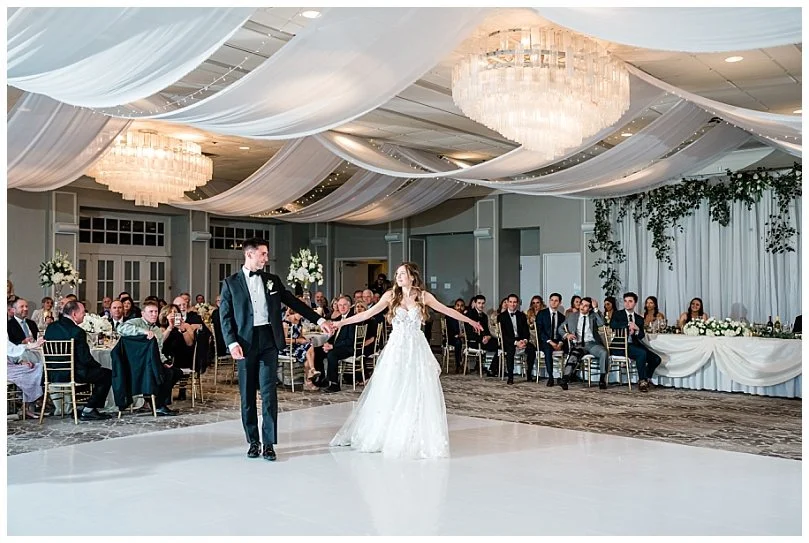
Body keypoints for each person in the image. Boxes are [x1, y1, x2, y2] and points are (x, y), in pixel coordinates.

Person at [329, 262, 482, 459]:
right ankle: (385, 433)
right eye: (397, 274)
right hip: (396, 348)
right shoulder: (390, 296)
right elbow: (367, 314)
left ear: (412, 276)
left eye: (402, 273)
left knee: (415, 388)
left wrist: (470, 321)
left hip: (416, 348)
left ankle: (411, 434)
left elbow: (447, 310)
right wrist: (341, 322)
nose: (398, 277)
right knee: (391, 387)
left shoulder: (423, 296)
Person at [219, 238, 334, 462]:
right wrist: (232, 343)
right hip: (244, 343)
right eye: (262, 253)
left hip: (269, 340)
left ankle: (269, 443)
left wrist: (320, 320)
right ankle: (253, 441)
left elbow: (294, 302)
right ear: (249, 254)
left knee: (269, 393)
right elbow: (225, 317)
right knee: (247, 395)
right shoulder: (230, 283)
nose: (266, 258)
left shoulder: (272, 280)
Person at [43, 301, 113, 420]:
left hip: (52, 373)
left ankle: (82, 407)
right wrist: (97, 365)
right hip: (72, 374)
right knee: (107, 374)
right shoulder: (77, 331)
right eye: (82, 313)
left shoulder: (51, 327)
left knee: (96, 373)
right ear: (74, 314)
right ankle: (89, 409)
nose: (84, 315)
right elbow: (85, 358)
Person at [117, 301, 182, 416]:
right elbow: (121, 328)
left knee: (176, 372)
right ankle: (158, 405)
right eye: (151, 312)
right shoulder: (137, 322)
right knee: (167, 374)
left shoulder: (156, 329)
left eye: (156, 312)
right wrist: (144, 331)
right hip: (136, 364)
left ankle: (157, 403)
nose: (154, 314)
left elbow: (158, 350)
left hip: (152, 363)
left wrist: (164, 361)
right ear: (143, 313)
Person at [611, 292, 662, 393]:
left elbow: (641, 336)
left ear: (635, 303)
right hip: (620, 346)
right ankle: (642, 381)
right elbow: (612, 325)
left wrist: (637, 329)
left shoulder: (639, 319)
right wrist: (628, 324)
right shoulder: (618, 314)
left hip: (633, 345)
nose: (627, 303)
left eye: (630, 301)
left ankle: (646, 379)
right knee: (641, 353)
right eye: (625, 301)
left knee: (656, 359)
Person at [558, 297, 608, 391]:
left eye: (586, 306)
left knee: (604, 352)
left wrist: (596, 308)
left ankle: (602, 380)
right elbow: (560, 328)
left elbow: (602, 323)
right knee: (573, 356)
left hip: (592, 343)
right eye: (581, 304)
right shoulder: (572, 316)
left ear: (590, 308)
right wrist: (567, 335)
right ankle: (565, 379)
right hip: (579, 344)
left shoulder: (593, 316)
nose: (582, 307)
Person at [497, 294, 538, 384]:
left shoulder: (522, 315)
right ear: (507, 303)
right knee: (510, 351)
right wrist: (516, 343)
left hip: (521, 340)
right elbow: (503, 335)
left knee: (531, 349)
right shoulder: (502, 316)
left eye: (515, 302)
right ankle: (510, 377)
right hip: (509, 342)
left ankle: (529, 374)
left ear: (517, 303)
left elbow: (526, 332)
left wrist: (524, 341)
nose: (512, 304)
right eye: (511, 302)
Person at [537, 292, 566, 387]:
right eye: (552, 300)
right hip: (545, 341)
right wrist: (550, 342)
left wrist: (560, 343)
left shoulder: (562, 317)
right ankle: (550, 377)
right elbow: (540, 331)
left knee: (570, 348)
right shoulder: (542, 314)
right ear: (549, 301)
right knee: (548, 350)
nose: (553, 302)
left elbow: (563, 332)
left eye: (556, 301)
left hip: (557, 340)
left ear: (560, 303)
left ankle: (566, 376)